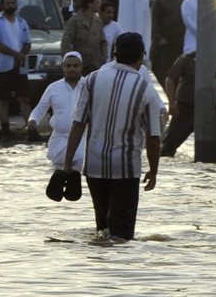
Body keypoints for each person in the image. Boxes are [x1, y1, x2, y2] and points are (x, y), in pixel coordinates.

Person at [62, 32, 162, 241]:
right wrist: (153, 171)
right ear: (141, 56)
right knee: (122, 236)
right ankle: (118, 270)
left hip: (95, 167)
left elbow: (78, 124)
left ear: (114, 54)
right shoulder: (145, 89)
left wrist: (67, 163)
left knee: (103, 228)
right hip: (126, 169)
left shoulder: (93, 79)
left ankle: (100, 268)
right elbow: (153, 137)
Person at [27, 51, 86, 174]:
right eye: (68, 66)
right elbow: (40, 108)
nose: (72, 69)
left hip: (82, 139)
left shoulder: (89, 86)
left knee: (79, 170)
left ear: (81, 67)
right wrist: (33, 120)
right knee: (58, 174)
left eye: (75, 66)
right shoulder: (53, 87)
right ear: (63, 67)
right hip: (59, 140)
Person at [0, 0, 32, 133]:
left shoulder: (22, 22)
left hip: (20, 67)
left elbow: (27, 42)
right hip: (2, 66)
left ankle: (31, 129)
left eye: (13, 3)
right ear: (2, 5)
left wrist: (22, 55)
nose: (10, 6)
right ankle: (5, 130)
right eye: (7, 3)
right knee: (3, 99)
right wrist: (15, 55)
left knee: (24, 98)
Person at [149, 0, 186, 85]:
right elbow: (155, 21)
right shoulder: (160, 1)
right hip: (163, 47)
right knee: (162, 74)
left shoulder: (183, 2)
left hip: (178, 46)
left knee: (177, 74)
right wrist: (160, 38)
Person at [161, 46, 197, 157]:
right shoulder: (187, 58)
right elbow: (170, 79)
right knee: (167, 149)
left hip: (210, 111)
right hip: (185, 109)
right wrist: (172, 103)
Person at [60, 0, 106, 72]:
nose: (99, 5)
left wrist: (102, 58)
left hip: (95, 63)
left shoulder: (98, 22)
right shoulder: (74, 21)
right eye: (97, 2)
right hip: (79, 62)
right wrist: (70, 60)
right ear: (89, 4)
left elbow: (103, 42)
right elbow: (66, 41)